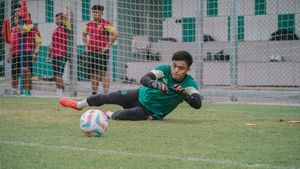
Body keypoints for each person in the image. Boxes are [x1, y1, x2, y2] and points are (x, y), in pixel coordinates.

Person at [59, 51, 202, 121]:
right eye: (174, 66)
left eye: (181, 68)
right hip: (138, 94)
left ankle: (106, 113)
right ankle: (79, 105)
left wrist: (183, 94)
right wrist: (157, 85)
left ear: (187, 69)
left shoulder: (189, 84)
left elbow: (197, 104)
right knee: (106, 96)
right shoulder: (164, 69)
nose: (176, 70)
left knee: (126, 115)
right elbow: (144, 79)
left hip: (150, 112)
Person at [82, 5, 118, 95]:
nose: (95, 14)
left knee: (103, 72)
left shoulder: (105, 23)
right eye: (94, 12)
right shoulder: (89, 24)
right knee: (93, 72)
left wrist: (107, 46)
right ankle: (94, 93)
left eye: (97, 12)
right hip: (91, 52)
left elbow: (115, 34)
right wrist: (86, 46)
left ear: (101, 13)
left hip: (102, 52)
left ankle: (106, 94)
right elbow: (84, 34)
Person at [8, 7, 41, 96]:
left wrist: (35, 53)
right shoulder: (14, 28)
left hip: (26, 51)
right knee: (14, 73)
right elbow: (12, 41)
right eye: (15, 12)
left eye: (18, 11)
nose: (16, 13)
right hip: (15, 52)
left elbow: (24, 33)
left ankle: (27, 92)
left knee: (25, 71)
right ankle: (14, 91)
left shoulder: (29, 23)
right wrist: (9, 53)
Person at [47, 7, 71, 97]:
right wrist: (48, 54)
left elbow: (65, 16)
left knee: (59, 74)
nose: (57, 21)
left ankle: (61, 92)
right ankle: (58, 90)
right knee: (55, 74)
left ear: (63, 20)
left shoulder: (66, 28)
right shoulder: (55, 30)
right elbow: (52, 43)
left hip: (62, 54)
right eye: (56, 19)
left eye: (59, 19)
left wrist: (65, 7)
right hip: (54, 55)